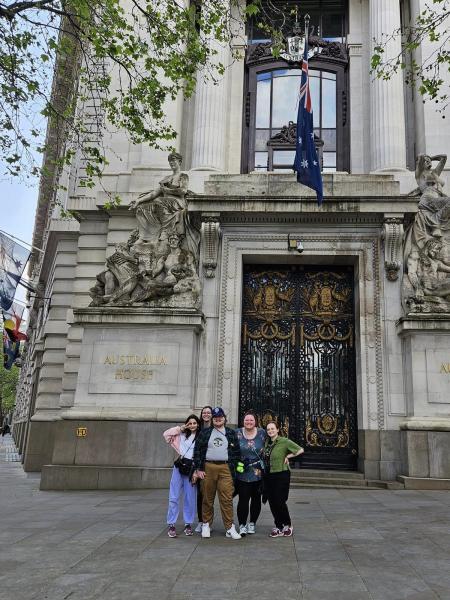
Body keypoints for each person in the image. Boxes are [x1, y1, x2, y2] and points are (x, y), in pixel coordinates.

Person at [192, 407, 242, 540]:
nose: (218, 419)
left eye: (220, 417)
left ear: (224, 418)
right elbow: (197, 451)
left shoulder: (231, 433)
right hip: (208, 467)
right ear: (212, 419)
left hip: (226, 468)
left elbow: (237, 453)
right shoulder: (205, 433)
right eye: (215, 418)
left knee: (227, 499)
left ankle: (229, 527)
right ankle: (206, 524)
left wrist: (235, 471)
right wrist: (198, 469)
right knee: (207, 498)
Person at [263, 421, 304, 538]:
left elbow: (300, 450)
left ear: (277, 430)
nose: (270, 431)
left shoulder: (284, 441)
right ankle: (278, 525)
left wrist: (288, 456)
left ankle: (287, 525)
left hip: (282, 474)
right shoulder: (267, 443)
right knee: (272, 502)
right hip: (269, 475)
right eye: (268, 429)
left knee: (280, 501)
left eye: (272, 429)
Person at [163, 414, 200, 538]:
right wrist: (181, 428)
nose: (192, 425)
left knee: (190, 497)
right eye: (190, 423)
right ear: (187, 424)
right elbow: (166, 435)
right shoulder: (181, 435)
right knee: (174, 496)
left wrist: (197, 471)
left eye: (195, 423)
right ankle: (171, 524)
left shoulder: (200, 437)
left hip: (192, 469)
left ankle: (188, 523)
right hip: (179, 467)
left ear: (198, 424)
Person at [235, 411, 266, 536]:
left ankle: (252, 523)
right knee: (243, 499)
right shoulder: (236, 433)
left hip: (258, 472)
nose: (249, 422)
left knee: (256, 500)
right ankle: (242, 525)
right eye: (246, 420)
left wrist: (285, 456)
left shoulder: (262, 433)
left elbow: (274, 443)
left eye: (251, 420)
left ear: (255, 421)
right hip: (242, 472)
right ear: (243, 421)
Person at [194, 406, 213, 533]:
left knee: (210, 496)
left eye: (208, 412)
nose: (206, 414)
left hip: (212, 464)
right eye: (204, 412)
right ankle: (201, 521)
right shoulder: (197, 427)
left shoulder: (216, 428)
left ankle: (208, 521)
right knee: (200, 495)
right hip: (199, 464)